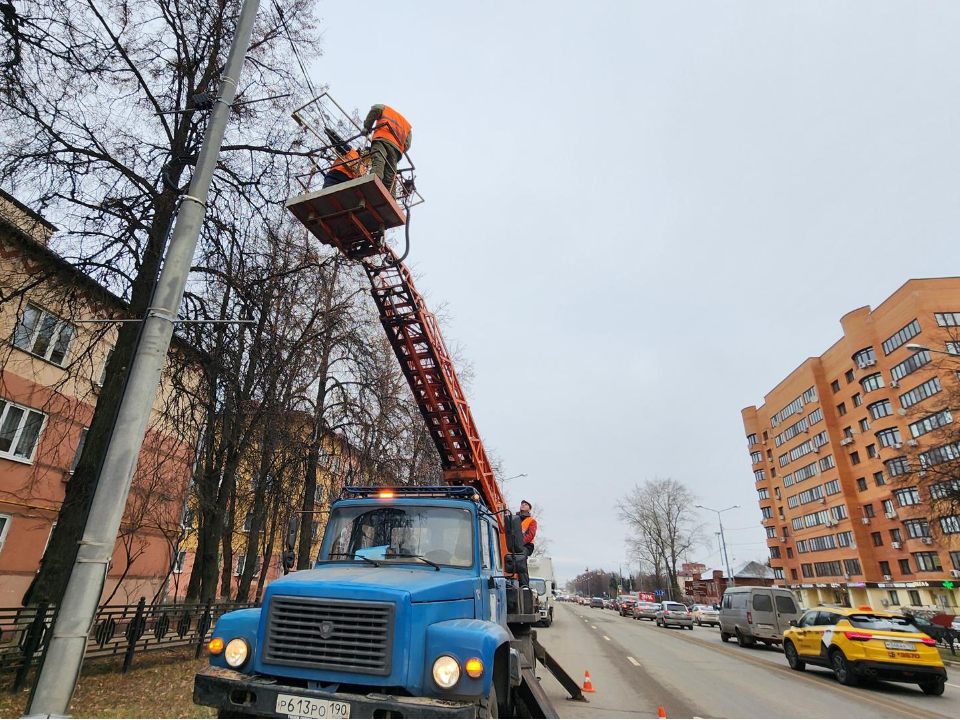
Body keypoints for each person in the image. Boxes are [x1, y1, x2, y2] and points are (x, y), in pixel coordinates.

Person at [362, 104, 412, 192]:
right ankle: (390, 195)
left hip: (382, 139)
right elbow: (407, 144)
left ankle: (374, 182)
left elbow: (376, 109)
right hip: (396, 149)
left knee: (379, 160)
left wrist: (367, 127)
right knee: (391, 172)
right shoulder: (407, 125)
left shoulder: (385, 108)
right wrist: (400, 149)